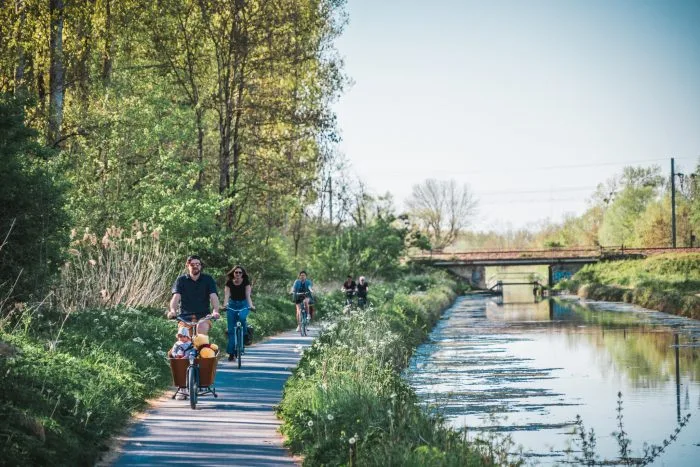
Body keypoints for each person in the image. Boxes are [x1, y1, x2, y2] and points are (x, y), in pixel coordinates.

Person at [168, 255, 220, 335]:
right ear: (187, 266)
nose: (195, 266)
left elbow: (213, 296)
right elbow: (176, 297)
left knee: (201, 332)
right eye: (192, 264)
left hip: (204, 317)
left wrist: (215, 311)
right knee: (182, 339)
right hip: (184, 317)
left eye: (197, 264)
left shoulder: (208, 279)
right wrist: (173, 311)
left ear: (200, 266)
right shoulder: (181, 280)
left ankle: (203, 346)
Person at [224, 265, 255, 361]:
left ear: (242, 274)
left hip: (244, 304)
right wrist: (225, 305)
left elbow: (248, 295)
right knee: (231, 330)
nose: (238, 274)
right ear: (233, 273)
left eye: (240, 272)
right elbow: (226, 296)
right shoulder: (229, 283)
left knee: (242, 317)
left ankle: (245, 334)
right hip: (232, 305)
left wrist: (251, 306)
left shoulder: (246, 282)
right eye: (236, 272)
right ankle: (231, 353)